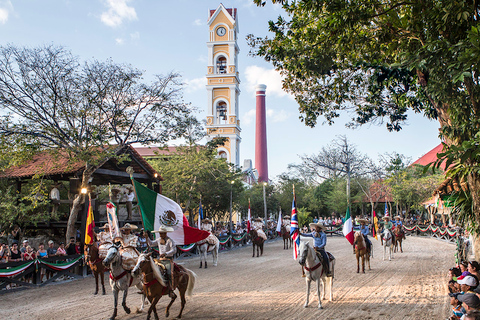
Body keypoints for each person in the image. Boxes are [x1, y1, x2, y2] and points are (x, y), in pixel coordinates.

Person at [148, 225, 177, 297]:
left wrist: (166, 254)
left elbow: (174, 250)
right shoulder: (158, 240)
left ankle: (171, 289)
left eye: (162, 233)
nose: (161, 235)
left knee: (170, 273)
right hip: (160, 260)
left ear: (165, 233)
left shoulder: (170, 240)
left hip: (168, 260)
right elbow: (151, 244)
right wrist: (147, 237)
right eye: (160, 233)